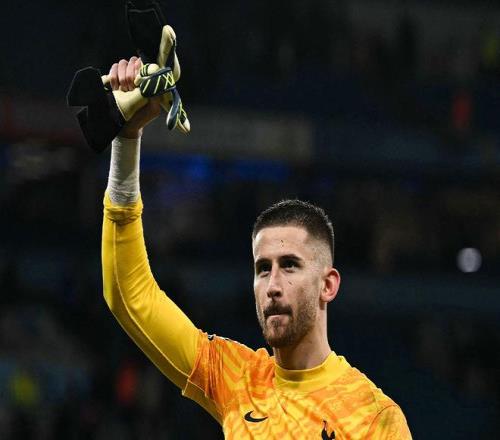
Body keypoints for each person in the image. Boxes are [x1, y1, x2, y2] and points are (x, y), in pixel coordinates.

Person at [102, 56, 412, 439]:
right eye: (263, 269)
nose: (273, 285)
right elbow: (129, 295)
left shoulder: (374, 417)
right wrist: (126, 138)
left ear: (328, 284)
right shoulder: (237, 378)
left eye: (290, 265)